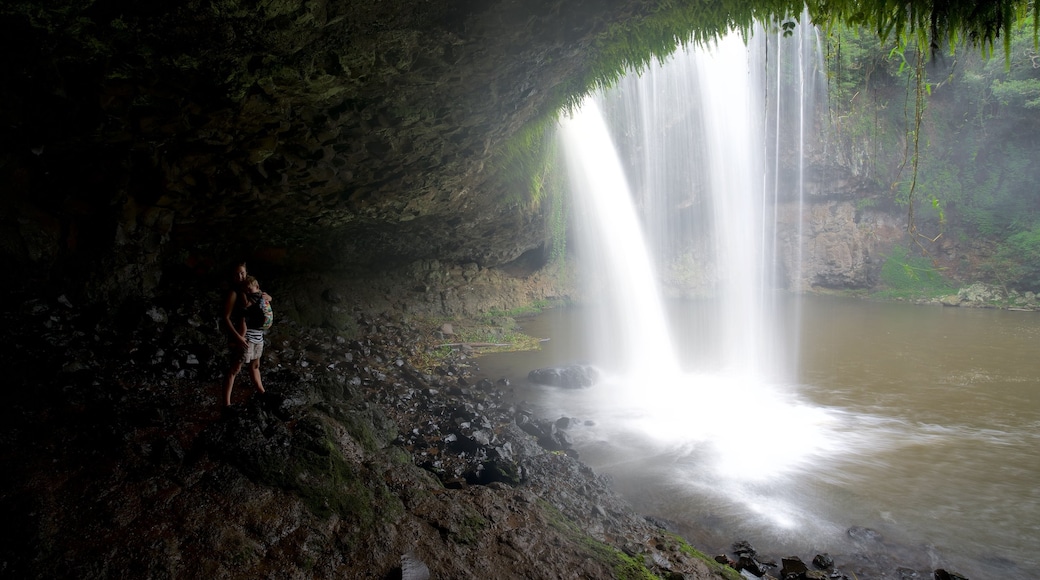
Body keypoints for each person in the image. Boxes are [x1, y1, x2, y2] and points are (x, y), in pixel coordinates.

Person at [220, 263, 269, 409]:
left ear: (246, 272)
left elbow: (263, 299)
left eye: (242, 273)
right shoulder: (235, 293)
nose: (240, 277)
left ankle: (263, 394)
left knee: (255, 365)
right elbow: (226, 318)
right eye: (236, 274)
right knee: (235, 369)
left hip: (257, 334)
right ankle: (227, 405)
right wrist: (238, 338)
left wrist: (268, 297)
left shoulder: (251, 289)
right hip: (243, 336)